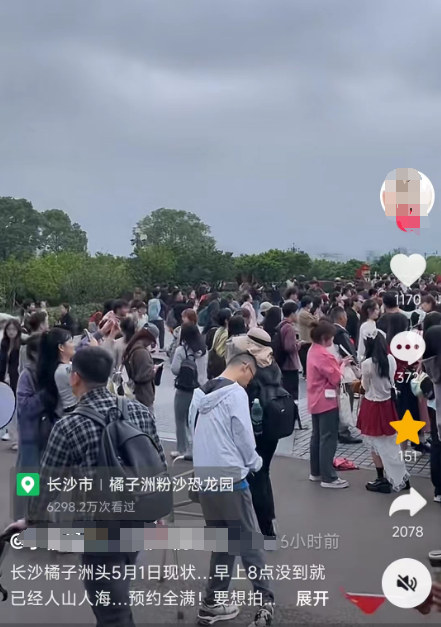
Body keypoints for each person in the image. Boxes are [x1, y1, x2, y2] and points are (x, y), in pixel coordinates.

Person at [9, 346, 166, 627]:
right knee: (118, 594)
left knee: (112, 613)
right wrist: (159, 510)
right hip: (140, 517)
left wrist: (30, 519)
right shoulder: (139, 410)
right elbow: (158, 462)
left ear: (75, 377)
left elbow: (46, 483)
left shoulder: (69, 425)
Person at [189, 352, 275, 627]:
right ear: (245, 367)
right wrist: (255, 462)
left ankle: (212, 603)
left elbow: (193, 432)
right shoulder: (236, 393)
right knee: (250, 543)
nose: (249, 382)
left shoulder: (199, 393)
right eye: (251, 376)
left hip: (205, 478)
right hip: (231, 478)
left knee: (223, 544)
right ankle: (265, 603)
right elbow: (243, 435)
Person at [228, 328, 284, 537]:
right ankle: (269, 521)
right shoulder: (271, 363)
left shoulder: (251, 368)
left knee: (255, 476)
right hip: (272, 425)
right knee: (263, 473)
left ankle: (265, 526)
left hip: (255, 428)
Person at [357, 332, 409, 492]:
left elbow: (365, 387)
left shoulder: (367, 364)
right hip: (388, 405)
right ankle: (401, 477)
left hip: (372, 406)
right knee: (391, 444)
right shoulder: (391, 359)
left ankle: (382, 479)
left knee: (375, 444)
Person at [307, 320, 352, 488]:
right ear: (325, 338)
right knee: (328, 438)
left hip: (314, 399)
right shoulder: (325, 355)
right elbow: (336, 378)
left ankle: (316, 472)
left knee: (317, 437)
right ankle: (329, 477)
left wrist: (339, 364)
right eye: (331, 337)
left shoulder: (313, 350)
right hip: (327, 401)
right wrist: (343, 365)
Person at [171, 323, 207, 458]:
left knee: (180, 419)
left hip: (184, 389)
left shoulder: (181, 350)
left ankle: (182, 449)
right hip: (201, 389)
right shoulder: (203, 350)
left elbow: (175, 369)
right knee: (194, 420)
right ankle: (196, 449)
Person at [329, 307, 362, 444]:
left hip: (334, 371)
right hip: (344, 372)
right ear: (342, 318)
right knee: (346, 400)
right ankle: (343, 431)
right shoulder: (341, 333)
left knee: (340, 401)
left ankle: (338, 429)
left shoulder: (330, 331)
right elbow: (349, 352)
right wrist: (357, 366)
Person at [38, 328, 77, 419]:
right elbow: (90, 380)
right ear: (61, 347)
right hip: (73, 414)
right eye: (71, 342)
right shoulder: (64, 370)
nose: (74, 345)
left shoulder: (64, 366)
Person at [123, 326, 158, 413]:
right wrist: (154, 371)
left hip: (136, 394)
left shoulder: (133, 346)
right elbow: (142, 376)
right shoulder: (141, 352)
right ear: (148, 338)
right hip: (143, 396)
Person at [0, 319, 23, 449]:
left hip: (16, 378)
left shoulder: (21, 345)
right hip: (5, 379)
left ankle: (18, 438)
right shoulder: (4, 344)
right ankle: (13, 435)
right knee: (9, 408)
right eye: (9, 329)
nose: (11, 332)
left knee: (17, 408)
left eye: (13, 329)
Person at [275, 301, 301, 401]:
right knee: (292, 393)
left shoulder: (281, 324)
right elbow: (289, 347)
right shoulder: (289, 327)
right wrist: (298, 345)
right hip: (290, 364)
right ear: (292, 313)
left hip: (282, 362)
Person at [208, 308, 232, 379]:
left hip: (213, 359)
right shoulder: (225, 333)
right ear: (226, 321)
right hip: (220, 364)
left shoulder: (218, 330)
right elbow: (220, 351)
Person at [298, 295, 315, 379]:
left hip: (307, 338)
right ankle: (307, 374)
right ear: (307, 304)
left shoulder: (304, 312)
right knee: (307, 358)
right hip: (306, 338)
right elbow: (314, 322)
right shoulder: (304, 314)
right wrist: (317, 315)